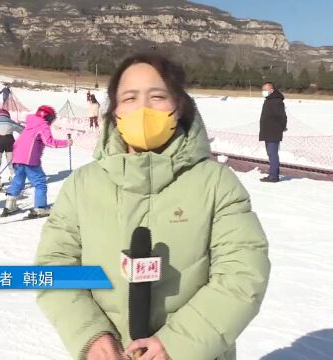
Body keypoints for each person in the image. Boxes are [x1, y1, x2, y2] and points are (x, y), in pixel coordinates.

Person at [35, 53, 270, 360]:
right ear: (114, 111)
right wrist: (90, 334)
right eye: (129, 97)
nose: (143, 108)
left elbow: (242, 275)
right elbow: (55, 264)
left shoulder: (217, 183)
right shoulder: (82, 185)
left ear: (179, 106)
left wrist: (178, 345)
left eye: (158, 96)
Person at [2, 105, 71, 218]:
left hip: (18, 159)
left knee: (18, 181)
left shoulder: (29, 125)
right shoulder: (42, 126)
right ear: (48, 118)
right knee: (40, 183)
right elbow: (49, 142)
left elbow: (20, 142)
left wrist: (17, 157)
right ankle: (40, 208)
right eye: (52, 119)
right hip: (30, 160)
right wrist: (66, 143)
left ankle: (10, 205)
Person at [259, 81, 287, 183]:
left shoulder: (276, 101)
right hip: (268, 131)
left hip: (273, 131)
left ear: (271, 90)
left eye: (265, 90)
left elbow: (282, 117)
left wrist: (282, 127)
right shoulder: (269, 100)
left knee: (272, 153)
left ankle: (274, 176)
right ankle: (272, 174)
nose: (263, 92)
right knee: (270, 153)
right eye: (262, 90)